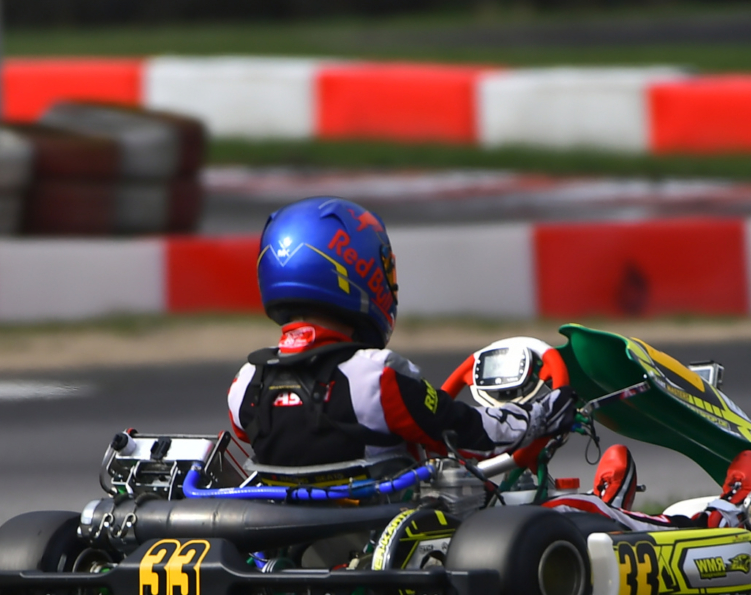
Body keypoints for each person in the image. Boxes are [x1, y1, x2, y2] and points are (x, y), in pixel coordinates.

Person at [226, 198, 571, 477]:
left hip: (283, 538)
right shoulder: (375, 377)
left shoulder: (245, 385)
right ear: (356, 270)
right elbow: (467, 433)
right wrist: (540, 414)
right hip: (385, 534)